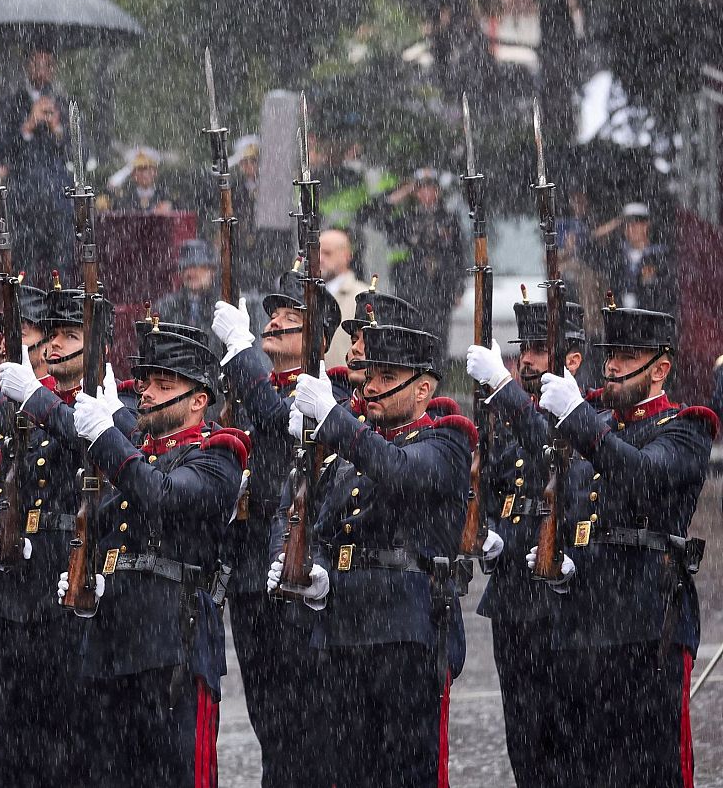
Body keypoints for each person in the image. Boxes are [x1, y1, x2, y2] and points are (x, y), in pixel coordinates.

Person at [277, 322, 471, 786]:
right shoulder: (347, 452)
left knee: (406, 771)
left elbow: (397, 469)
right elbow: (314, 522)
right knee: (345, 771)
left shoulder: (445, 442)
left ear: (423, 388)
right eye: (370, 375)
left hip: (405, 629)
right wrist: (314, 569)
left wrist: (333, 418)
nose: (371, 387)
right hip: (342, 628)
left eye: (387, 377)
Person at [530, 304, 712, 786]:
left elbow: (641, 473)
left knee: (654, 768)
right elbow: (580, 509)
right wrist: (564, 559)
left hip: (649, 620)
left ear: (660, 369)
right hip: (586, 620)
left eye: (627, 356)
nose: (611, 366)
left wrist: (578, 418)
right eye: (610, 354)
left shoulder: (686, 426)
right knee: (590, 768)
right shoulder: (600, 426)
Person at [60, 321, 248, 785]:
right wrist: (92, 575)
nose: (145, 393)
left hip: (174, 640)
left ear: (198, 400)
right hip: (114, 643)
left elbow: (162, 496)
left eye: (164, 385)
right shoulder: (139, 456)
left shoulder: (217, 454)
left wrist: (107, 437)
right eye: (145, 383)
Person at [209, 271, 345, 788]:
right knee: (269, 722)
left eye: (292, 318)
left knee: (308, 723)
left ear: (319, 341)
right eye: (273, 315)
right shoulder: (246, 394)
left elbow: (283, 422)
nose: (274, 323)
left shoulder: (327, 393)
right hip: (250, 576)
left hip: (297, 571)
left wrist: (241, 351)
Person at [0, 280, 102, 788]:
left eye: (67, 335)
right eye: (51, 334)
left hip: (63, 592)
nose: (52, 345)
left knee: (69, 747)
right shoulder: (22, 406)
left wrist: (25, 400)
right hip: (10, 598)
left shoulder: (104, 403)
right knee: (11, 744)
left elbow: (90, 442)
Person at [464, 300, 589, 786]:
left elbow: (556, 460)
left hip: (562, 606)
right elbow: (496, 491)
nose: (527, 360)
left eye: (540, 349)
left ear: (571, 359)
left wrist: (503, 388)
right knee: (524, 739)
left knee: (567, 741)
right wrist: (492, 533)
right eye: (525, 351)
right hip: (514, 601)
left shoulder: (585, 418)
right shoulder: (514, 425)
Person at [360, 170, 464, 360]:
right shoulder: (406, 219)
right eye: (421, 189)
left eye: (431, 188)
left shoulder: (449, 218)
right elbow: (369, 217)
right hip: (411, 287)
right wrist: (398, 195)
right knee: (411, 341)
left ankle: (436, 376)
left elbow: (458, 255)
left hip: (440, 289)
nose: (427, 193)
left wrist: (458, 289)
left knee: (438, 342)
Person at [0, 46, 74, 280]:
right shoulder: (10, 103)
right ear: (27, 66)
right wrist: (27, 125)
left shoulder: (64, 104)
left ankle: (59, 302)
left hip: (57, 200)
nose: (42, 70)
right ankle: (25, 303)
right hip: (23, 200)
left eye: (47, 65)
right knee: (23, 269)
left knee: (60, 269)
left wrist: (57, 129)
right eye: (37, 64)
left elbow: (79, 153)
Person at [595, 202, 676, 316]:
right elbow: (588, 248)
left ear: (646, 225)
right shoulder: (616, 253)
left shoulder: (660, 254)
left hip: (650, 315)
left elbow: (667, 292)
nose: (631, 228)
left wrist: (647, 282)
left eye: (637, 223)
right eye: (627, 224)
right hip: (618, 314)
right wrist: (612, 225)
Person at [318, 229, 370, 368]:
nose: (320, 259)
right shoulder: (304, 294)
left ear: (346, 256)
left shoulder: (363, 297)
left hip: (347, 378)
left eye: (327, 253)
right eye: (317, 253)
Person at [152, 238, 219, 330]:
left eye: (199, 267)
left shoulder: (222, 307)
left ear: (212, 272)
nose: (192, 273)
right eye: (186, 268)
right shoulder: (165, 307)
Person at [105, 147, 172, 213]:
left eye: (147, 169)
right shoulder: (125, 196)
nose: (144, 174)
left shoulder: (165, 194)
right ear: (133, 174)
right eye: (140, 170)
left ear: (155, 172)